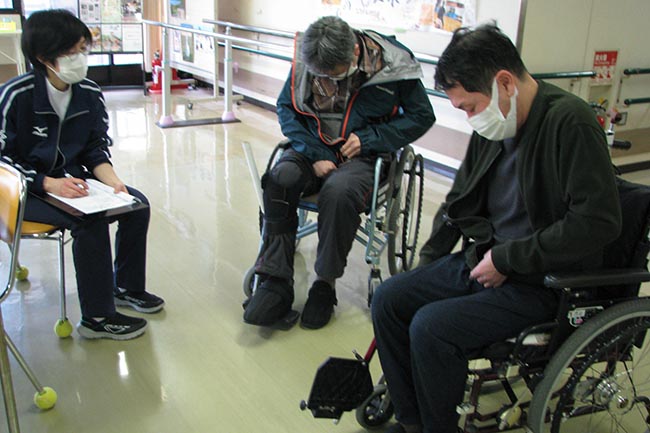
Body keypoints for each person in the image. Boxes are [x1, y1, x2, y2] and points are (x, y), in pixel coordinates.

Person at [371, 24, 621, 433]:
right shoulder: (496, 124)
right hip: (488, 259)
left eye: (470, 107)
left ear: (504, 83)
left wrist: (507, 258)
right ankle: (414, 421)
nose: (470, 118)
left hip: (543, 281)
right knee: (389, 299)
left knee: (431, 327)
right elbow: (457, 203)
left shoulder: (570, 123)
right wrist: (427, 265)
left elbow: (598, 221)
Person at [243, 16, 435, 329]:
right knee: (280, 179)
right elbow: (286, 108)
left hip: (364, 155)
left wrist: (371, 138)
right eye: (321, 75)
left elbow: (421, 116)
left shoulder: (394, 65)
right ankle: (275, 279)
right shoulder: (309, 55)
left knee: (339, 192)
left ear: (354, 54)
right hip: (311, 146)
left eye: (332, 74)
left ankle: (325, 284)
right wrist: (315, 154)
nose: (326, 80)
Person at [0, 9, 164, 340]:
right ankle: (97, 318)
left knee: (137, 205)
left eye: (82, 49)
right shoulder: (16, 96)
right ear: (43, 57)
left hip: (72, 182)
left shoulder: (88, 91)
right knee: (89, 222)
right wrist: (47, 183)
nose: (79, 58)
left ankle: (126, 287)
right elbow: (3, 159)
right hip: (23, 189)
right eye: (70, 52)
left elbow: (95, 149)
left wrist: (113, 182)